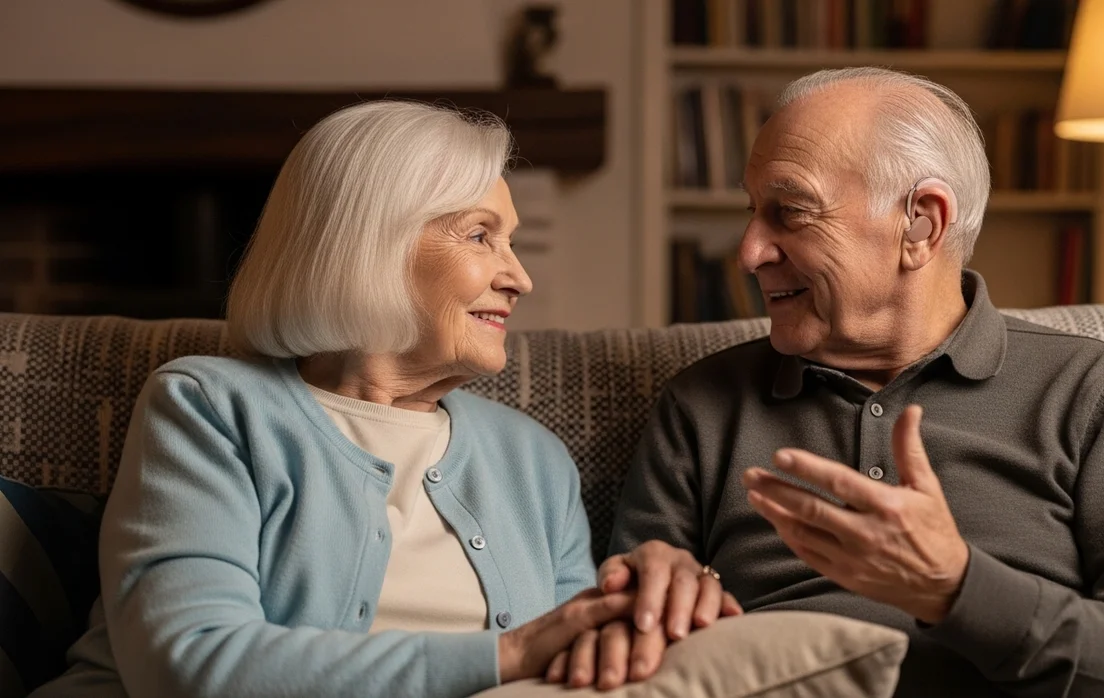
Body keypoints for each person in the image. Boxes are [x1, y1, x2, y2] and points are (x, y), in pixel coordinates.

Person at [35, 100, 737, 698]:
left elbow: (576, 670)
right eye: (481, 236)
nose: (519, 278)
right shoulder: (210, 409)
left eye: (512, 242)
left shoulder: (533, 460)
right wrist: (510, 655)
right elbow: (188, 663)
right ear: (373, 244)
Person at [606, 67, 1104, 697]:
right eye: (753, 212)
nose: (749, 252)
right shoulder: (701, 404)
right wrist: (639, 604)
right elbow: (617, 642)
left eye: (791, 212)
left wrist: (958, 588)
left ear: (921, 223)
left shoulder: (1090, 392)